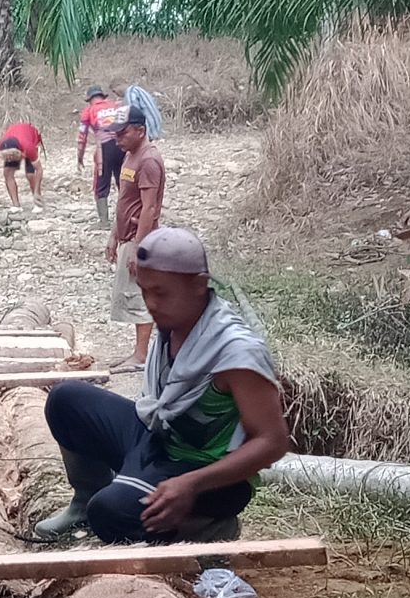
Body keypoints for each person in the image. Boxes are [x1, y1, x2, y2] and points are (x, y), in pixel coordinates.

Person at [34, 227, 290, 544]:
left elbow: (272, 442)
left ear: (198, 285)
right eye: (145, 292)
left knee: (110, 513)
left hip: (204, 473)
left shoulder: (235, 351)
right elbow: (159, 409)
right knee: (65, 399)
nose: (151, 304)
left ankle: (206, 528)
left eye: (162, 293)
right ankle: (85, 500)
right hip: (159, 436)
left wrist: (192, 484)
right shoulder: (176, 321)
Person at [104, 109, 164, 371]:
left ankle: (140, 357)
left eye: (123, 132)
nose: (118, 138)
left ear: (140, 130)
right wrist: (114, 234)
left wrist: (140, 247)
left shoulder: (149, 160)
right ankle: (137, 353)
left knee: (140, 296)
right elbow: (124, 199)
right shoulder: (130, 156)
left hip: (142, 238)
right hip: (127, 234)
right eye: (116, 133)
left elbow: (149, 208)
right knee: (129, 293)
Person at [77, 85, 128, 227]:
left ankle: (104, 221)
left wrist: (79, 157)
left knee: (101, 183)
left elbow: (82, 137)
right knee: (123, 182)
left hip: (105, 148)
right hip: (122, 146)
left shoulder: (89, 111)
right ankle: (127, 217)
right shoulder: (116, 105)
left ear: (90, 99)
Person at [0, 120, 43, 211]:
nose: (10, 159)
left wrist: (37, 190)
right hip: (14, 143)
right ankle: (16, 205)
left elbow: (39, 170)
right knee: (7, 173)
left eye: (12, 157)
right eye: (8, 157)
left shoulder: (28, 147)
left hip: (29, 139)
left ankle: (38, 202)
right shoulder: (0, 146)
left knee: (30, 174)